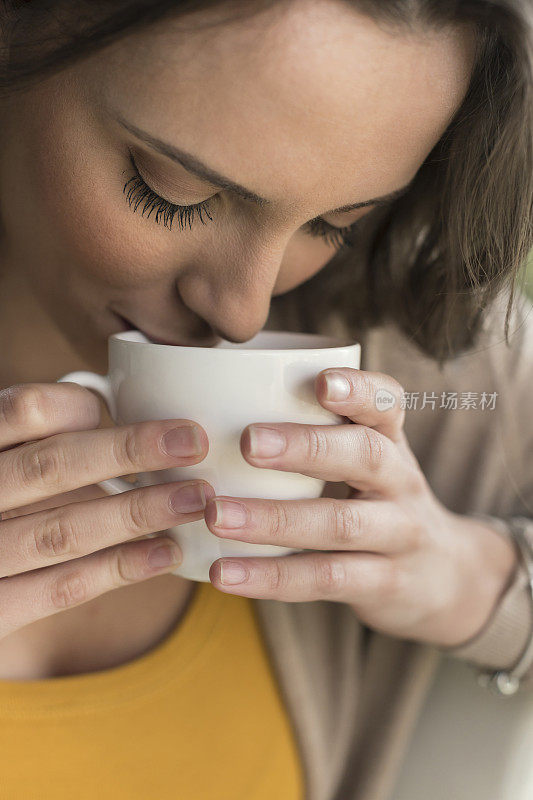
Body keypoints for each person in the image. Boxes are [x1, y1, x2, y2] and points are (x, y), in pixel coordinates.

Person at [0, 0, 531, 798]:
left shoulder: (411, 344)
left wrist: (468, 578)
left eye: (334, 224)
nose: (245, 313)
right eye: (169, 192)